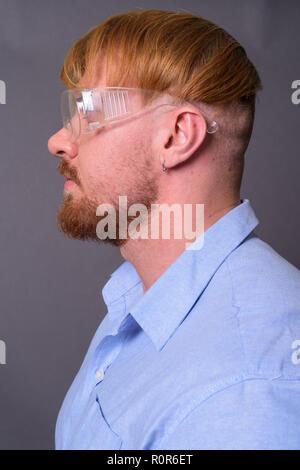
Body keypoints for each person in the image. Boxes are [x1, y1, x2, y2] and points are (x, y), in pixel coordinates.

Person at [48, 9, 300, 450]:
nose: (59, 140)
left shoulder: (247, 391)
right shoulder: (144, 296)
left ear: (177, 136)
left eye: (89, 111)